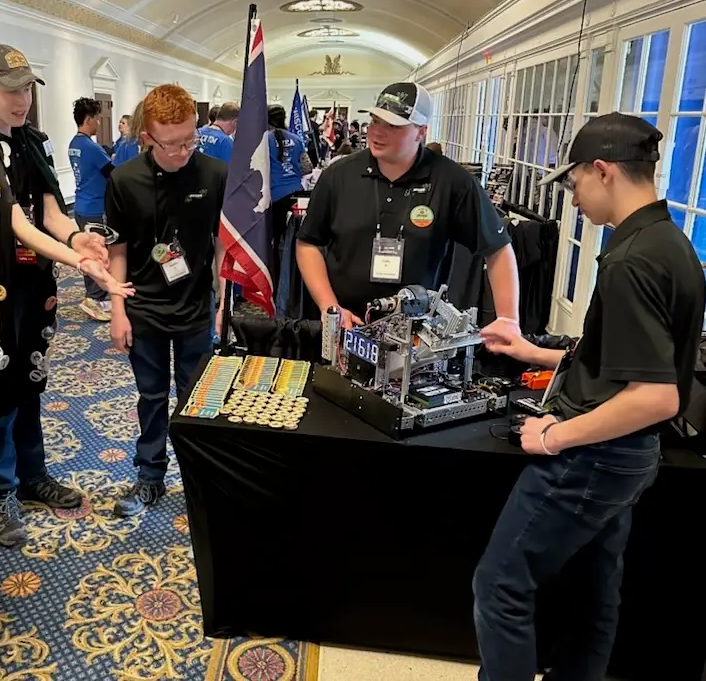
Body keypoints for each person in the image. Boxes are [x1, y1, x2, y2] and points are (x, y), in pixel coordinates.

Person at [474, 112, 705, 681]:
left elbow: (656, 397)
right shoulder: (668, 243)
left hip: (596, 457)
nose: (573, 199)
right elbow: (618, 362)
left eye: (575, 183)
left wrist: (555, 435)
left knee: (499, 585)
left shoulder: (630, 260)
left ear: (603, 171)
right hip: (631, 458)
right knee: (593, 592)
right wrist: (531, 351)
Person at [0, 42, 132, 548]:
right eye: (10, 88)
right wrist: (80, 259)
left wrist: (77, 238)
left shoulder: (33, 142)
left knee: (29, 380)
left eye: (27, 87)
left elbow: (50, 211)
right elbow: (17, 224)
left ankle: (32, 476)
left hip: (33, 288)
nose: (21, 98)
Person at [296, 81, 520, 335]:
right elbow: (308, 243)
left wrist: (509, 319)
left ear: (421, 132)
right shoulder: (339, 174)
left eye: (393, 126)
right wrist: (330, 307)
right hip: (348, 325)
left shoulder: (452, 182)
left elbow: (498, 249)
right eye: (376, 120)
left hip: (420, 332)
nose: (378, 132)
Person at [106, 84, 227, 517]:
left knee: (198, 399)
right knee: (151, 396)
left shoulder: (214, 175)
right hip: (143, 309)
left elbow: (223, 247)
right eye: (172, 144)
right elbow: (116, 250)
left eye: (190, 139)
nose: (183, 151)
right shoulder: (123, 180)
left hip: (196, 307)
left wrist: (222, 306)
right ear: (147, 140)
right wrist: (116, 310)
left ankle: (201, 476)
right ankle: (150, 476)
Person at [69, 97, 114, 321]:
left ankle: (93, 295)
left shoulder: (74, 144)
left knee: (86, 251)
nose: (98, 123)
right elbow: (112, 173)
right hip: (95, 206)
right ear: (88, 119)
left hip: (81, 205)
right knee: (97, 252)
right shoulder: (91, 147)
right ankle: (97, 299)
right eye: (96, 119)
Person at [267, 104, 311, 281]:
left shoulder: (264, 140)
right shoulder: (296, 139)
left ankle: (277, 278)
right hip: (297, 195)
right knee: (297, 238)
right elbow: (307, 167)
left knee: (276, 241)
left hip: (275, 196)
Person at [113, 100, 143, 167]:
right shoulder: (122, 143)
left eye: (123, 123)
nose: (120, 124)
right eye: (120, 122)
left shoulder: (133, 143)